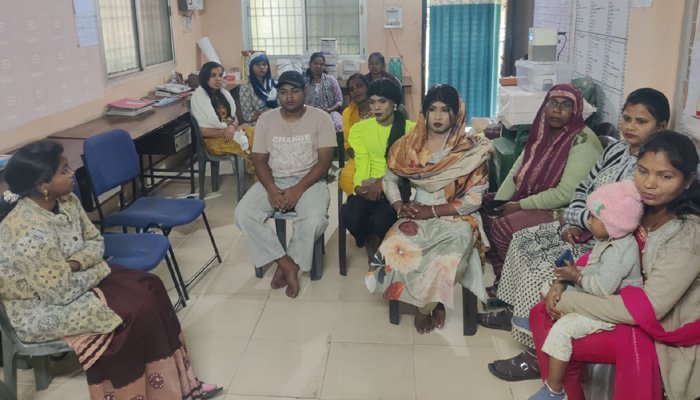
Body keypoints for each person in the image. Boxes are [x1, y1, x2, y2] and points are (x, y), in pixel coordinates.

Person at [0, 141, 222, 400]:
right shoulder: (29, 231)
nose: (72, 174)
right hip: (40, 309)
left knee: (152, 285)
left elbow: (96, 241)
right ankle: (143, 394)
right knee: (135, 312)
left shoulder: (68, 201)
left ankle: (183, 384)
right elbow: (60, 293)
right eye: (64, 170)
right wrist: (100, 268)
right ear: (42, 186)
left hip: (76, 282)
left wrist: (75, 263)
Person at [485, 88, 670, 382]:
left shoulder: (653, 168)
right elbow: (583, 188)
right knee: (522, 241)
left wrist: (580, 220)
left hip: (606, 244)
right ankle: (516, 313)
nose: (631, 127)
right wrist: (573, 222)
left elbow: (620, 219)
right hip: (581, 228)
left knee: (543, 270)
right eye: (627, 118)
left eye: (641, 121)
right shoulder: (615, 151)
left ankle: (537, 355)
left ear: (660, 127)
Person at [531, 130, 700, 400]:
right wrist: (561, 282)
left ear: (688, 180)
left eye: (665, 176)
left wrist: (570, 301)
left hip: (660, 326)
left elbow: (648, 308)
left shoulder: (687, 234)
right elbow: (604, 252)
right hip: (623, 299)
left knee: (557, 324)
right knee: (541, 312)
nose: (649, 183)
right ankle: (565, 393)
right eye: (642, 171)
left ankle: (561, 391)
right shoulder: (639, 207)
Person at [364, 84, 491, 334]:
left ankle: (426, 307)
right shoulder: (408, 145)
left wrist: (432, 212)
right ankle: (435, 301)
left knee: (450, 257)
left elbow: (474, 199)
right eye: (432, 109)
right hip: (416, 210)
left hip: (457, 215)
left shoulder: (470, 149)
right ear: (424, 112)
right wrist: (400, 206)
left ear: (456, 113)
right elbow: (389, 179)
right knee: (394, 248)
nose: (438, 116)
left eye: (445, 109)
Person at [481, 84, 603, 297]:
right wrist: (499, 203)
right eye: (552, 102)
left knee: (502, 228)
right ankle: (505, 282)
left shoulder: (582, 140)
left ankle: (515, 290)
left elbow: (565, 194)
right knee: (482, 206)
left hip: (565, 212)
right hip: (536, 196)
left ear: (576, 111)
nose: (557, 109)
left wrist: (517, 206)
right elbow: (518, 170)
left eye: (566, 105)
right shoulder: (543, 132)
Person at [528, 180, 644, 400]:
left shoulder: (620, 250)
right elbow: (593, 269)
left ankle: (554, 390)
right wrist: (567, 277)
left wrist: (576, 277)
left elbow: (603, 288)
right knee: (547, 285)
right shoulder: (608, 239)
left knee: (563, 329)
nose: (588, 221)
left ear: (613, 223)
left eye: (594, 217)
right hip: (596, 296)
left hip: (612, 309)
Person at [234, 70, 336, 298]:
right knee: (243, 215)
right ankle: (286, 263)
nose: (289, 97)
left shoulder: (321, 118)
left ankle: (291, 261)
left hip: (310, 180)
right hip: (274, 178)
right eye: (283, 92)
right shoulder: (266, 119)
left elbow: (324, 162)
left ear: (305, 92)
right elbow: (259, 159)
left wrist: (298, 189)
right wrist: (271, 190)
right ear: (277, 94)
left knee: (314, 219)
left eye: (295, 91)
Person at [341, 79, 416, 259]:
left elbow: (407, 167)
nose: (376, 107)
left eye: (382, 101)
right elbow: (362, 161)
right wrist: (359, 186)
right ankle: (369, 240)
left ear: (394, 103)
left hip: (398, 184)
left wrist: (381, 184)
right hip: (368, 183)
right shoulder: (360, 129)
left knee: (380, 220)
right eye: (373, 102)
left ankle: (381, 252)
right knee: (350, 216)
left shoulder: (410, 130)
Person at [191, 61, 254, 173]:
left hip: (229, 133)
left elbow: (234, 118)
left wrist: (232, 128)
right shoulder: (199, 98)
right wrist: (227, 131)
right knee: (251, 143)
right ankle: (258, 175)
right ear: (205, 77)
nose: (218, 79)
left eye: (220, 75)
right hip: (213, 140)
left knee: (256, 134)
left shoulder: (223, 93)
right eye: (213, 75)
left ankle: (261, 173)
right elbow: (202, 131)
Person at [338, 73, 373, 196]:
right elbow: (348, 144)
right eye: (352, 89)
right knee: (346, 179)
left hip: (380, 158)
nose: (355, 91)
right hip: (358, 158)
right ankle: (360, 201)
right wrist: (361, 161)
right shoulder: (347, 113)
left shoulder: (378, 108)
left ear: (367, 87)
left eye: (359, 86)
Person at [304, 52, 343, 131]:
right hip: (309, 114)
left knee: (339, 124)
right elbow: (300, 102)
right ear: (310, 65)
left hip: (329, 113)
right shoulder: (304, 82)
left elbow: (339, 101)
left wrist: (330, 110)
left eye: (321, 64)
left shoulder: (331, 80)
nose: (318, 66)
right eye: (315, 63)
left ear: (324, 66)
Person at [238, 52, 278, 124]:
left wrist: (260, 113)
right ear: (251, 67)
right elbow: (247, 116)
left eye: (264, 64)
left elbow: (282, 108)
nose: (262, 67)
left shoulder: (274, 85)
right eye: (257, 65)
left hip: (276, 120)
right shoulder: (246, 88)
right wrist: (270, 113)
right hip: (256, 124)